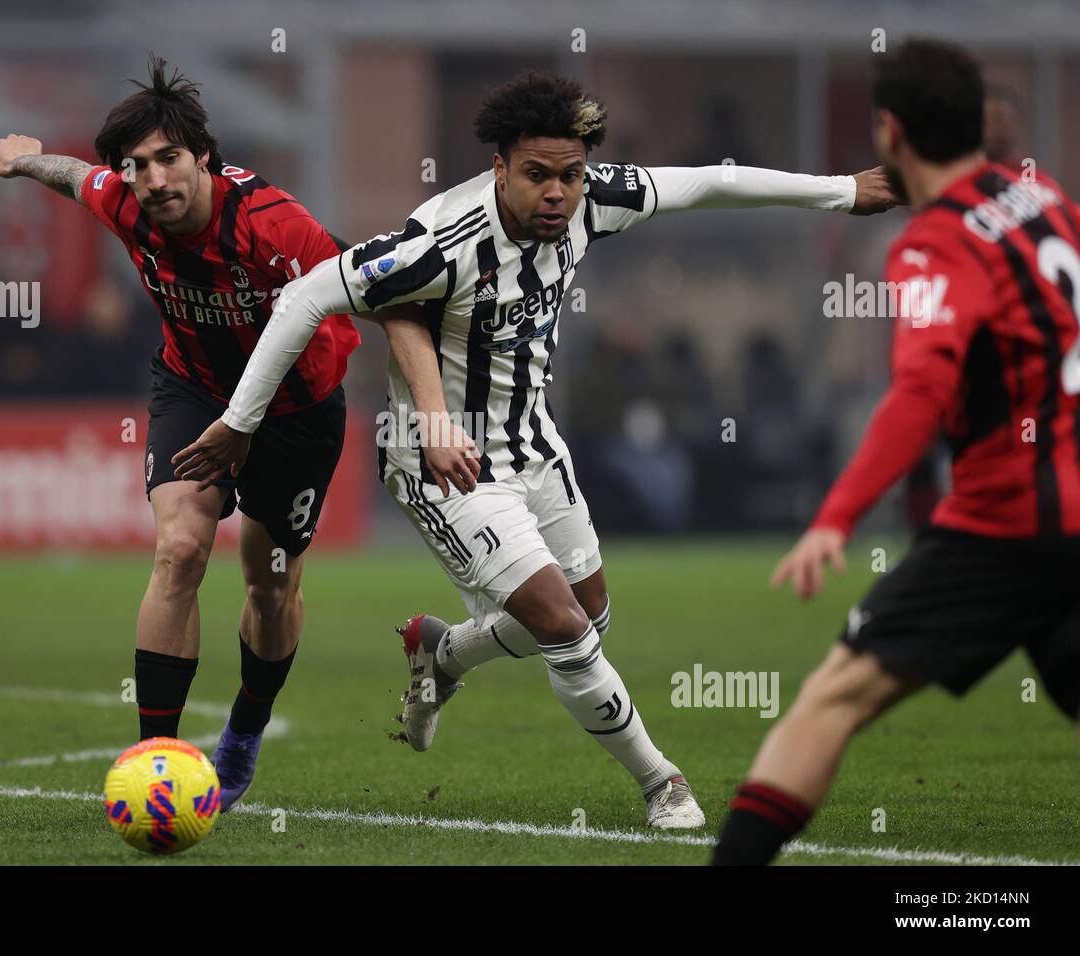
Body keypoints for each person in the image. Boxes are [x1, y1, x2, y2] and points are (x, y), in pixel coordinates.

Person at [173, 71, 895, 828]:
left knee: (591, 618)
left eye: (571, 177)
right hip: (444, 469)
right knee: (564, 629)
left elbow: (712, 182)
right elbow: (304, 296)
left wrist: (841, 192)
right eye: (538, 176)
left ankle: (443, 656)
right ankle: (662, 782)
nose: (558, 193)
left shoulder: (594, 201)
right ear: (500, 169)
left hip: (536, 447)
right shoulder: (439, 243)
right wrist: (240, 421)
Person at [712, 39, 1080, 865]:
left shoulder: (933, 243)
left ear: (891, 134)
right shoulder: (1046, 198)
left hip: (1005, 525)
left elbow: (919, 393)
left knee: (830, 698)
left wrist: (834, 518)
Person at [0, 54, 365, 809]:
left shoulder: (275, 227)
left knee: (269, 586)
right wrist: (28, 162)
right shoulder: (123, 201)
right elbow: (74, 177)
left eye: (169, 160)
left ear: (203, 158)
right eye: (137, 167)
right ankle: (154, 759)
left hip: (296, 416)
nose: (155, 180)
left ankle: (243, 736)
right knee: (180, 548)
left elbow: (381, 291)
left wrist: (440, 405)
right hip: (193, 388)